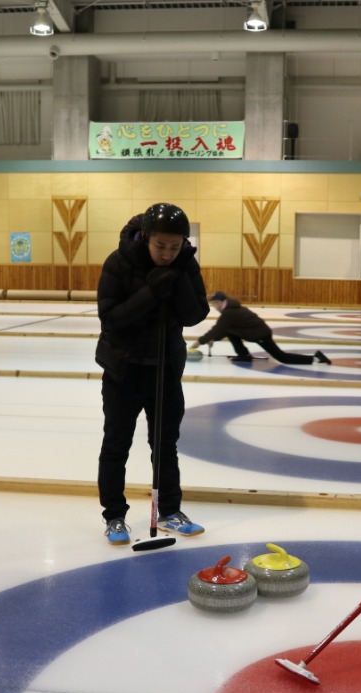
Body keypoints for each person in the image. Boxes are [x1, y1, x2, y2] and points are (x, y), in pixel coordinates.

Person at [95, 203, 211, 545]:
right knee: (116, 443)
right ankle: (114, 515)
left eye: (175, 247)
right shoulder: (118, 262)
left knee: (165, 444)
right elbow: (111, 318)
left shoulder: (185, 264)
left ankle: (169, 511)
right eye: (161, 246)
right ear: (146, 237)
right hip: (123, 370)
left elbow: (195, 315)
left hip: (164, 369)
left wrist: (176, 284)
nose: (167, 253)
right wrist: (150, 293)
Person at [189, 291, 330, 364]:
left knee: (282, 357)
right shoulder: (230, 309)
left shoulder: (229, 313)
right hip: (254, 332)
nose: (214, 307)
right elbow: (223, 330)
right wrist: (215, 339)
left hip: (260, 334)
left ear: (220, 302)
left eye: (214, 304)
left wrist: (199, 341)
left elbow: (217, 329)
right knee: (230, 331)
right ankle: (244, 355)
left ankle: (315, 359)